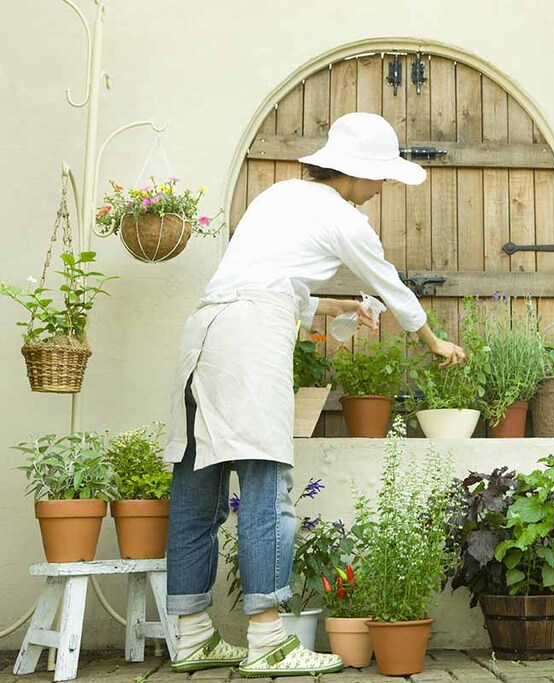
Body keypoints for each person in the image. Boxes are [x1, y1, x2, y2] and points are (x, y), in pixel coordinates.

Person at [163, 112, 465, 677]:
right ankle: (268, 639)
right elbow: (390, 284)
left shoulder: (279, 195)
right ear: (357, 172)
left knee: (196, 487)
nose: (380, 189)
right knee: (264, 484)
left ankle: (192, 634)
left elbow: (273, 280)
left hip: (204, 332)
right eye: (380, 178)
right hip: (251, 341)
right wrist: (433, 339)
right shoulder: (345, 218)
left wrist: (333, 308)